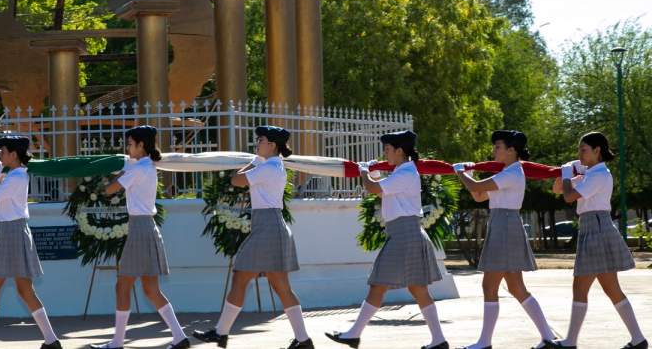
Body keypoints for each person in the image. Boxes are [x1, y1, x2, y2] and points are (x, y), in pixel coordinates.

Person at [193, 125, 314, 349]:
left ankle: (221, 333)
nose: (257, 143)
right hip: (268, 227)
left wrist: (254, 161)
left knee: (245, 278)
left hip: (268, 228)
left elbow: (236, 180)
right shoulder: (271, 165)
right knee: (279, 286)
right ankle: (303, 340)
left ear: (272, 145)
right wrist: (257, 160)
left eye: (260, 140)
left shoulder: (268, 167)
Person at [327, 130, 447, 349]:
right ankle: (439, 340)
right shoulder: (404, 171)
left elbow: (373, 189)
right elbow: (384, 191)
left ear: (400, 151)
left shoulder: (405, 172)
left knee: (378, 285)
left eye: (388, 149)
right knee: (418, 289)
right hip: (406, 233)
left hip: (404, 235)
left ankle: (354, 334)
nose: (385, 153)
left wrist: (364, 172)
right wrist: (372, 174)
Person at [90, 125, 189, 349]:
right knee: (150, 289)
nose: (127, 148)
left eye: (130, 144)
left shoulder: (138, 168)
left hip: (140, 228)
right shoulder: (145, 166)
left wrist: (120, 169)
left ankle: (117, 342)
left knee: (123, 286)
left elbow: (110, 189)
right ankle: (179, 337)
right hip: (144, 227)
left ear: (141, 145)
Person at [454, 130, 554, 349]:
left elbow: (476, 187)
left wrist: (460, 171)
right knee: (517, 288)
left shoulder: (512, 173)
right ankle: (548, 338)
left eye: (497, 146)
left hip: (505, 226)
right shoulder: (507, 172)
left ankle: (484, 342)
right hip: (503, 223)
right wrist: (465, 174)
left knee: (489, 285)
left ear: (511, 150)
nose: (493, 150)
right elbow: (479, 195)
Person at [546, 132, 646, 349]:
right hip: (593, 227)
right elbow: (557, 188)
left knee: (580, 287)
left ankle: (570, 342)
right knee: (611, 289)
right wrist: (566, 173)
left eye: (583, 150)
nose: (579, 154)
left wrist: (567, 177)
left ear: (597, 151)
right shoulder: (588, 172)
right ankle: (638, 340)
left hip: (596, 227)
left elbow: (569, 196)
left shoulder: (599, 174)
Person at [0, 135, 61, 349]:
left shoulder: (15, 178)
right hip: (11, 232)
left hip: (12, 233)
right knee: (24, 290)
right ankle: (51, 340)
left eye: (2, 151)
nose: (0, 155)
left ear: (13, 154)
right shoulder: (15, 175)